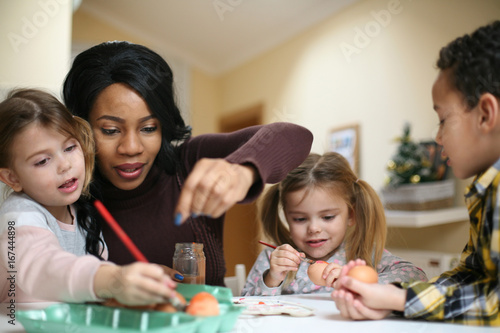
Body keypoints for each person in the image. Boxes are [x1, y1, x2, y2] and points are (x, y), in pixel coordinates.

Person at [62, 41, 313, 286]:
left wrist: (242, 170)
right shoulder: (65, 196)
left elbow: (295, 136)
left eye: (149, 128)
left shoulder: (190, 161)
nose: (131, 148)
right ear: (80, 128)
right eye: (110, 130)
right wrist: (117, 283)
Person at [331, 21, 500, 326]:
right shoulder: (486, 188)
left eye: (442, 119)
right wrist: (394, 296)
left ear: (486, 114)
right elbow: (470, 277)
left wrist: (400, 301)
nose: (438, 137)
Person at [0, 89, 177, 304]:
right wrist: (112, 279)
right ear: (12, 178)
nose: (65, 165)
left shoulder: (84, 213)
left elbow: (82, 287)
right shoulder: (17, 217)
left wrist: (139, 280)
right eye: (42, 161)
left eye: (70, 147)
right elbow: (44, 267)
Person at [242, 152, 427, 296]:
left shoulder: (361, 255)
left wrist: (356, 280)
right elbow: (246, 306)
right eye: (300, 219)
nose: (314, 228)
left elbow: (416, 275)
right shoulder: (273, 260)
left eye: (328, 217)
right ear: (287, 217)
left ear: (351, 215)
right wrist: (271, 279)